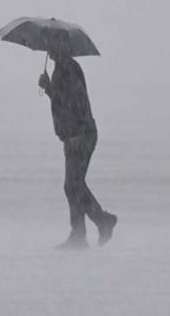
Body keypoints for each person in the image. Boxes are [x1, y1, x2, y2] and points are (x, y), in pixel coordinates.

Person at [38, 48, 117, 249]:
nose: (49, 50)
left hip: (82, 135)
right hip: (73, 136)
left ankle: (96, 225)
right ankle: (83, 232)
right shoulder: (60, 68)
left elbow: (80, 101)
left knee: (73, 185)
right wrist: (48, 89)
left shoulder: (70, 68)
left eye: (52, 46)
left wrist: (79, 134)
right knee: (73, 185)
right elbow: (63, 101)